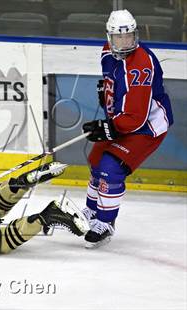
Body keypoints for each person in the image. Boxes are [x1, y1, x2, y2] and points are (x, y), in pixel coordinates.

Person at [81, 9, 173, 248]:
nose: (125, 42)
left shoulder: (141, 64)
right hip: (127, 120)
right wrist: (107, 93)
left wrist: (109, 127)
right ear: (110, 37)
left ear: (136, 35)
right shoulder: (106, 52)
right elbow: (116, 86)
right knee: (96, 158)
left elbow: (137, 117)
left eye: (129, 36)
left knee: (111, 168)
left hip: (148, 126)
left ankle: (105, 223)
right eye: (119, 37)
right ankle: (91, 211)